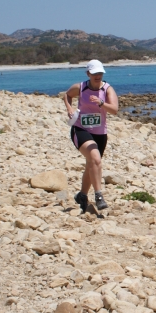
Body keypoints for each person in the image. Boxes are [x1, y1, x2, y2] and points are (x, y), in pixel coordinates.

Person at [63, 60, 119, 212]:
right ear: (88, 73)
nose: (97, 76)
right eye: (94, 73)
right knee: (95, 158)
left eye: (100, 73)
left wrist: (101, 103)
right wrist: (70, 108)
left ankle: (82, 195)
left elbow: (114, 109)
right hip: (80, 129)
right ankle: (99, 195)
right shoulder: (80, 87)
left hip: (100, 133)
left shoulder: (107, 89)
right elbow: (67, 95)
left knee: (91, 164)